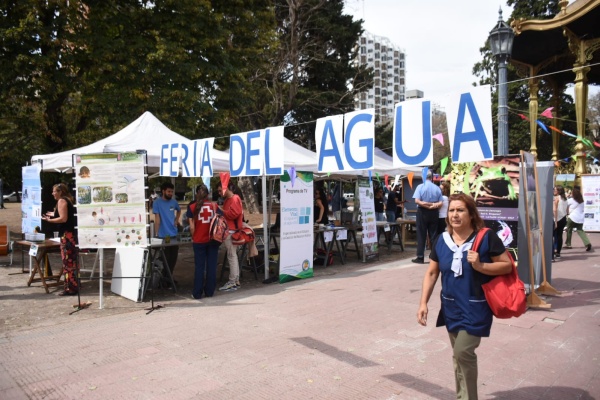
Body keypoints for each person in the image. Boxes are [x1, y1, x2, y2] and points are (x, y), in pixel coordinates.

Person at [417, 193, 512, 399]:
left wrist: (481, 265)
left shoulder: (486, 238)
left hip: (475, 307)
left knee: (463, 353)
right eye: (451, 210)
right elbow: (432, 272)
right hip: (451, 307)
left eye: (460, 210)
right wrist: (423, 303)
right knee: (458, 356)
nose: (455, 215)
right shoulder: (442, 241)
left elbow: (506, 265)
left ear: (471, 214)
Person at [42, 183, 79, 296]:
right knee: (71, 262)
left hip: (67, 236)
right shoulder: (68, 200)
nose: (53, 193)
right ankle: (73, 286)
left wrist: (49, 220)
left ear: (60, 192)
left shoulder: (62, 201)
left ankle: (70, 288)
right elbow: (64, 214)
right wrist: (53, 214)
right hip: (71, 235)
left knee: (67, 262)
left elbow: (63, 218)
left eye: (54, 191)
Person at [187, 184, 220, 299]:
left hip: (199, 240)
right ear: (208, 194)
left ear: (197, 193)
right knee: (211, 266)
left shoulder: (192, 207)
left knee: (200, 267)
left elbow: (191, 227)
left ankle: (197, 293)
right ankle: (210, 291)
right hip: (213, 239)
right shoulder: (214, 206)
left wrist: (193, 236)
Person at [218, 176, 244, 291]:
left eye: (220, 190)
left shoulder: (235, 198)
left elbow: (234, 214)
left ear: (226, 188)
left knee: (232, 256)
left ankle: (233, 281)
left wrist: (220, 211)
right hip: (229, 231)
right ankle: (235, 280)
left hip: (232, 231)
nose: (219, 193)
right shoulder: (228, 200)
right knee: (232, 256)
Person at [412, 170, 443, 264]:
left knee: (421, 234)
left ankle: (420, 257)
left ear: (423, 177)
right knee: (433, 235)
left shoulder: (420, 187)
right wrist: (432, 205)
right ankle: (434, 257)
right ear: (432, 177)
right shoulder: (437, 188)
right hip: (434, 212)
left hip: (422, 211)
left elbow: (417, 201)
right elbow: (441, 203)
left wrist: (425, 204)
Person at [152, 182, 181, 281]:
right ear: (163, 191)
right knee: (165, 258)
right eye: (168, 191)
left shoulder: (174, 202)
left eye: (172, 192)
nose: (170, 193)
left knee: (173, 257)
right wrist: (156, 234)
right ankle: (164, 278)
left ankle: (169, 277)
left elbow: (179, 210)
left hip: (174, 234)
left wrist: (177, 220)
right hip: (164, 235)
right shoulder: (157, 203)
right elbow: (157, 219)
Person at [565, 186, 591, 251]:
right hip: (581, 218)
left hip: (572, 217)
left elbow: (565, 204)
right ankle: (587, 243)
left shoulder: (571, 200)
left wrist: (567, 196)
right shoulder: (582, 200)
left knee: (569, 229)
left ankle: (568, 244)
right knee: (580, 230)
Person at [553, 185, 568, 259]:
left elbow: (555, 210)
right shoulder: (565, 199)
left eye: (555, 190)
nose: (554, 191)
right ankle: (558, 252)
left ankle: (553, 251)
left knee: (553, 235)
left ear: (558, 191)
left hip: (557, 218)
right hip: (563, 218)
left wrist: (555, 221)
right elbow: (567, 210)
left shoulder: (557, 198)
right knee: (559, 235)